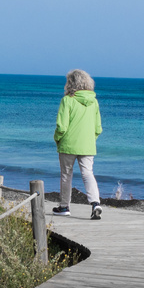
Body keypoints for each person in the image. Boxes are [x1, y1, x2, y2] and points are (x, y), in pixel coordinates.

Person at [53, 68, 103, 219]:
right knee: (88, 173)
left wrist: (57, 138)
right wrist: (90, 140)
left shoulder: (67, 100)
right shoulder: (93, 102)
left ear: (71, 83)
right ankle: (95, 203)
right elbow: (98, 128)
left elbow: (62, 126)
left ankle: (64, 206)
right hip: (88, 145)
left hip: (68, 144)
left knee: (66, 175)